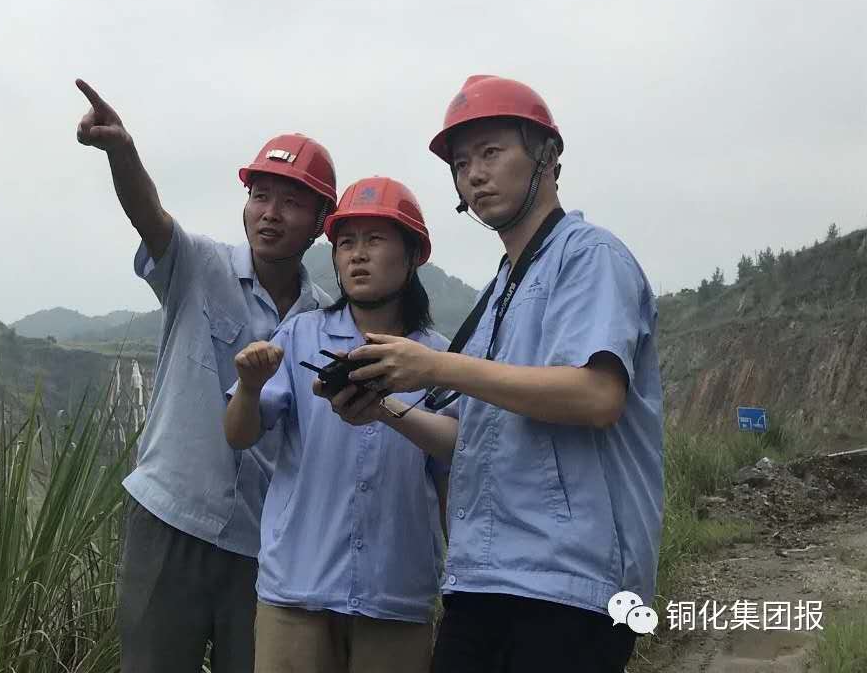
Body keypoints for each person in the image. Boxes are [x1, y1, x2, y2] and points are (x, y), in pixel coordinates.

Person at [346, 75, 664, 673]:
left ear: (547, 154)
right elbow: (470, 439)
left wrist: (436, 365)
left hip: (573, 584)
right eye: (461, 163)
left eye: (491, 152)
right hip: (482, 576)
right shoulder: (499, 292)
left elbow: (598, 396)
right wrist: (383, 407)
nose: (474, 174)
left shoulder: (590, 256)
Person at [74, 78, 337, 673]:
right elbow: (149, 216)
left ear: (322, 221)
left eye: (291, 202)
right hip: (170, 521)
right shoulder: (199, 266)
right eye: (261, 196)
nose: (270, 214)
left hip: (263, 546)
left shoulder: (323, 322)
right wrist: (121, 151)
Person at [223, 176, 457, 673]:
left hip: (395, 596)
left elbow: (451, 468)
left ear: (413, 255)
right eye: (346, 242)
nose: (357, 255)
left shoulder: (438, 360)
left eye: (375, 240)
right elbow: (239, 434)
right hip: (296, 592)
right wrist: (248, 387)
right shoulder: (300, 337)